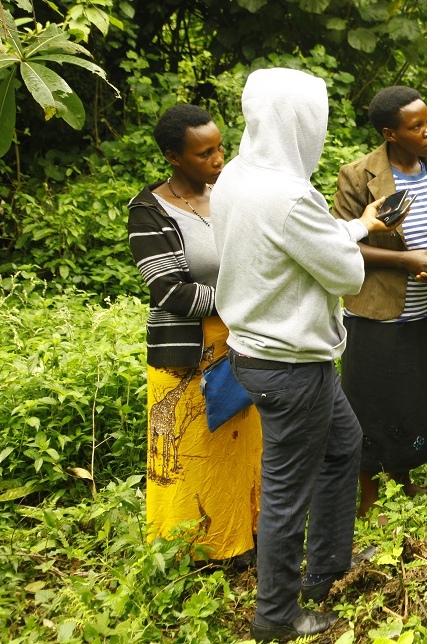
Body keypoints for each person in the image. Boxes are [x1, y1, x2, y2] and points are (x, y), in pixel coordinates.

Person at [212, 68, 392, 642]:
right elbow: (345, 272)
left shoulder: (237, 175)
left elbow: (295, 244)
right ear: (299, 122)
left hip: (258, 350)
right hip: (291, 362)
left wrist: (354, 225)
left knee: (343, 444)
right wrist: (357, 237)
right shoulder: (289, 194)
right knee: (287, 489)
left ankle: (329, 565)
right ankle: (277, 616)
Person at [126, 104, 261, 561]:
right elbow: (169, 291)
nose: (219, 159)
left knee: (241, 449)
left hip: (242, 343)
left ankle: (245, 537)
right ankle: (194, 549)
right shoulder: (149, 210)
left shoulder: (233, 194)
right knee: (190, 454)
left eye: (221, 147)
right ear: (173, 157)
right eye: (205, 153)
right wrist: (245, 298)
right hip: (187, 354)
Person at [334, 86, 427, 510]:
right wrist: (404, 261)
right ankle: (368, 496)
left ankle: (403, 478)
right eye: (418, 126)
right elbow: (342, 243)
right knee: (369, 402)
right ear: (390, 133)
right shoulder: (357, 175)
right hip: (378, 312)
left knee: (416, 396)